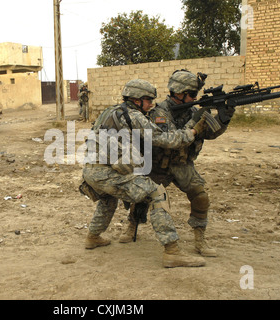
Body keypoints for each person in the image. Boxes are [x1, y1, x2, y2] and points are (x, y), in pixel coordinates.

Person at [80, 79, 212, 268]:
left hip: (91, 172)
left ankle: (93, 237)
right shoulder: (134, 116)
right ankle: (172, 252)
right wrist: (191, 132)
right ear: (136, 99)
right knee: (157, 193)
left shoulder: (110, 111)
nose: (151, 104)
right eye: (148, 100)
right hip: (109, 173)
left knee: (108, 198)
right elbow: (165, 140)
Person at [120, 69, 233, 257]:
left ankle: (199, 240)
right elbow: (171, 137)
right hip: (158, 164)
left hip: (182, 164)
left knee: (201, 197)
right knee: (141, 198)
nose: (194, 98)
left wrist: (224, 117)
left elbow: (210, 133)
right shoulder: (158, 112)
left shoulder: (194, 111)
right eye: (192, 94)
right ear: (179, 93)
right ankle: (132, 225)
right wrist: (195, 123)